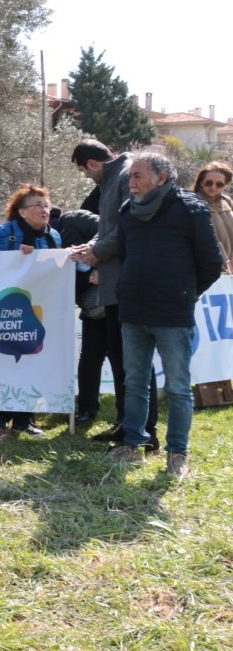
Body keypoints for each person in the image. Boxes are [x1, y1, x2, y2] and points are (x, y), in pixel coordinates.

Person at [103, 152, 222, 481]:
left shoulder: (190, 209)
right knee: (135, 383)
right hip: (133, 312)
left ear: (162, 178)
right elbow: (126, 258)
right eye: (130, 177)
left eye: (138, 176)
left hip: (172, 314)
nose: (131, 183)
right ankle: (132, 444)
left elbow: (212, 262)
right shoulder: (128, 210)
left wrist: (185, 292)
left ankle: (177, 452)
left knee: (179, 388)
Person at [67, 140, 159, 448]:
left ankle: (141, 429)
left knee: (133, 363)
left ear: (92, 164)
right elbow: (108, 227)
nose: (85, 178)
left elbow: (125, 229)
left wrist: (96, 252)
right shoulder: (117, 177)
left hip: (125, 284)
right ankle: (127, 425)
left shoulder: (122, 177)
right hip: (117, 284)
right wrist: (91, 246)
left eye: (83, 172)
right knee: (123, 361)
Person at [0, 184, 62, 436]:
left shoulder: (54, 236)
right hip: (5, 308)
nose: (44, 210)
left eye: (46, 205)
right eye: (37, 205)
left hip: (38, 310)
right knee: (3, 360)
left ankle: (25, 418)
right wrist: (17, 255)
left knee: (32, 360)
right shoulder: (2, 233)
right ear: (21, 212)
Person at [57, 209, 109, 428]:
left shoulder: (74, 219)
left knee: (120, 359)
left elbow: (110, 235)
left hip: (110, 296)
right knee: (90, 357)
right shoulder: (46, 238)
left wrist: (100, 269)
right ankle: (87, 408)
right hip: (89, 305)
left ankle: (126, 414)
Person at [192, 161, 233, 273]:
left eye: (219, 184)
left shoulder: (227, 201)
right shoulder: (193, 203)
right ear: (201, 182)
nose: (213, 187)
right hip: (210, 272)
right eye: (208, 183)